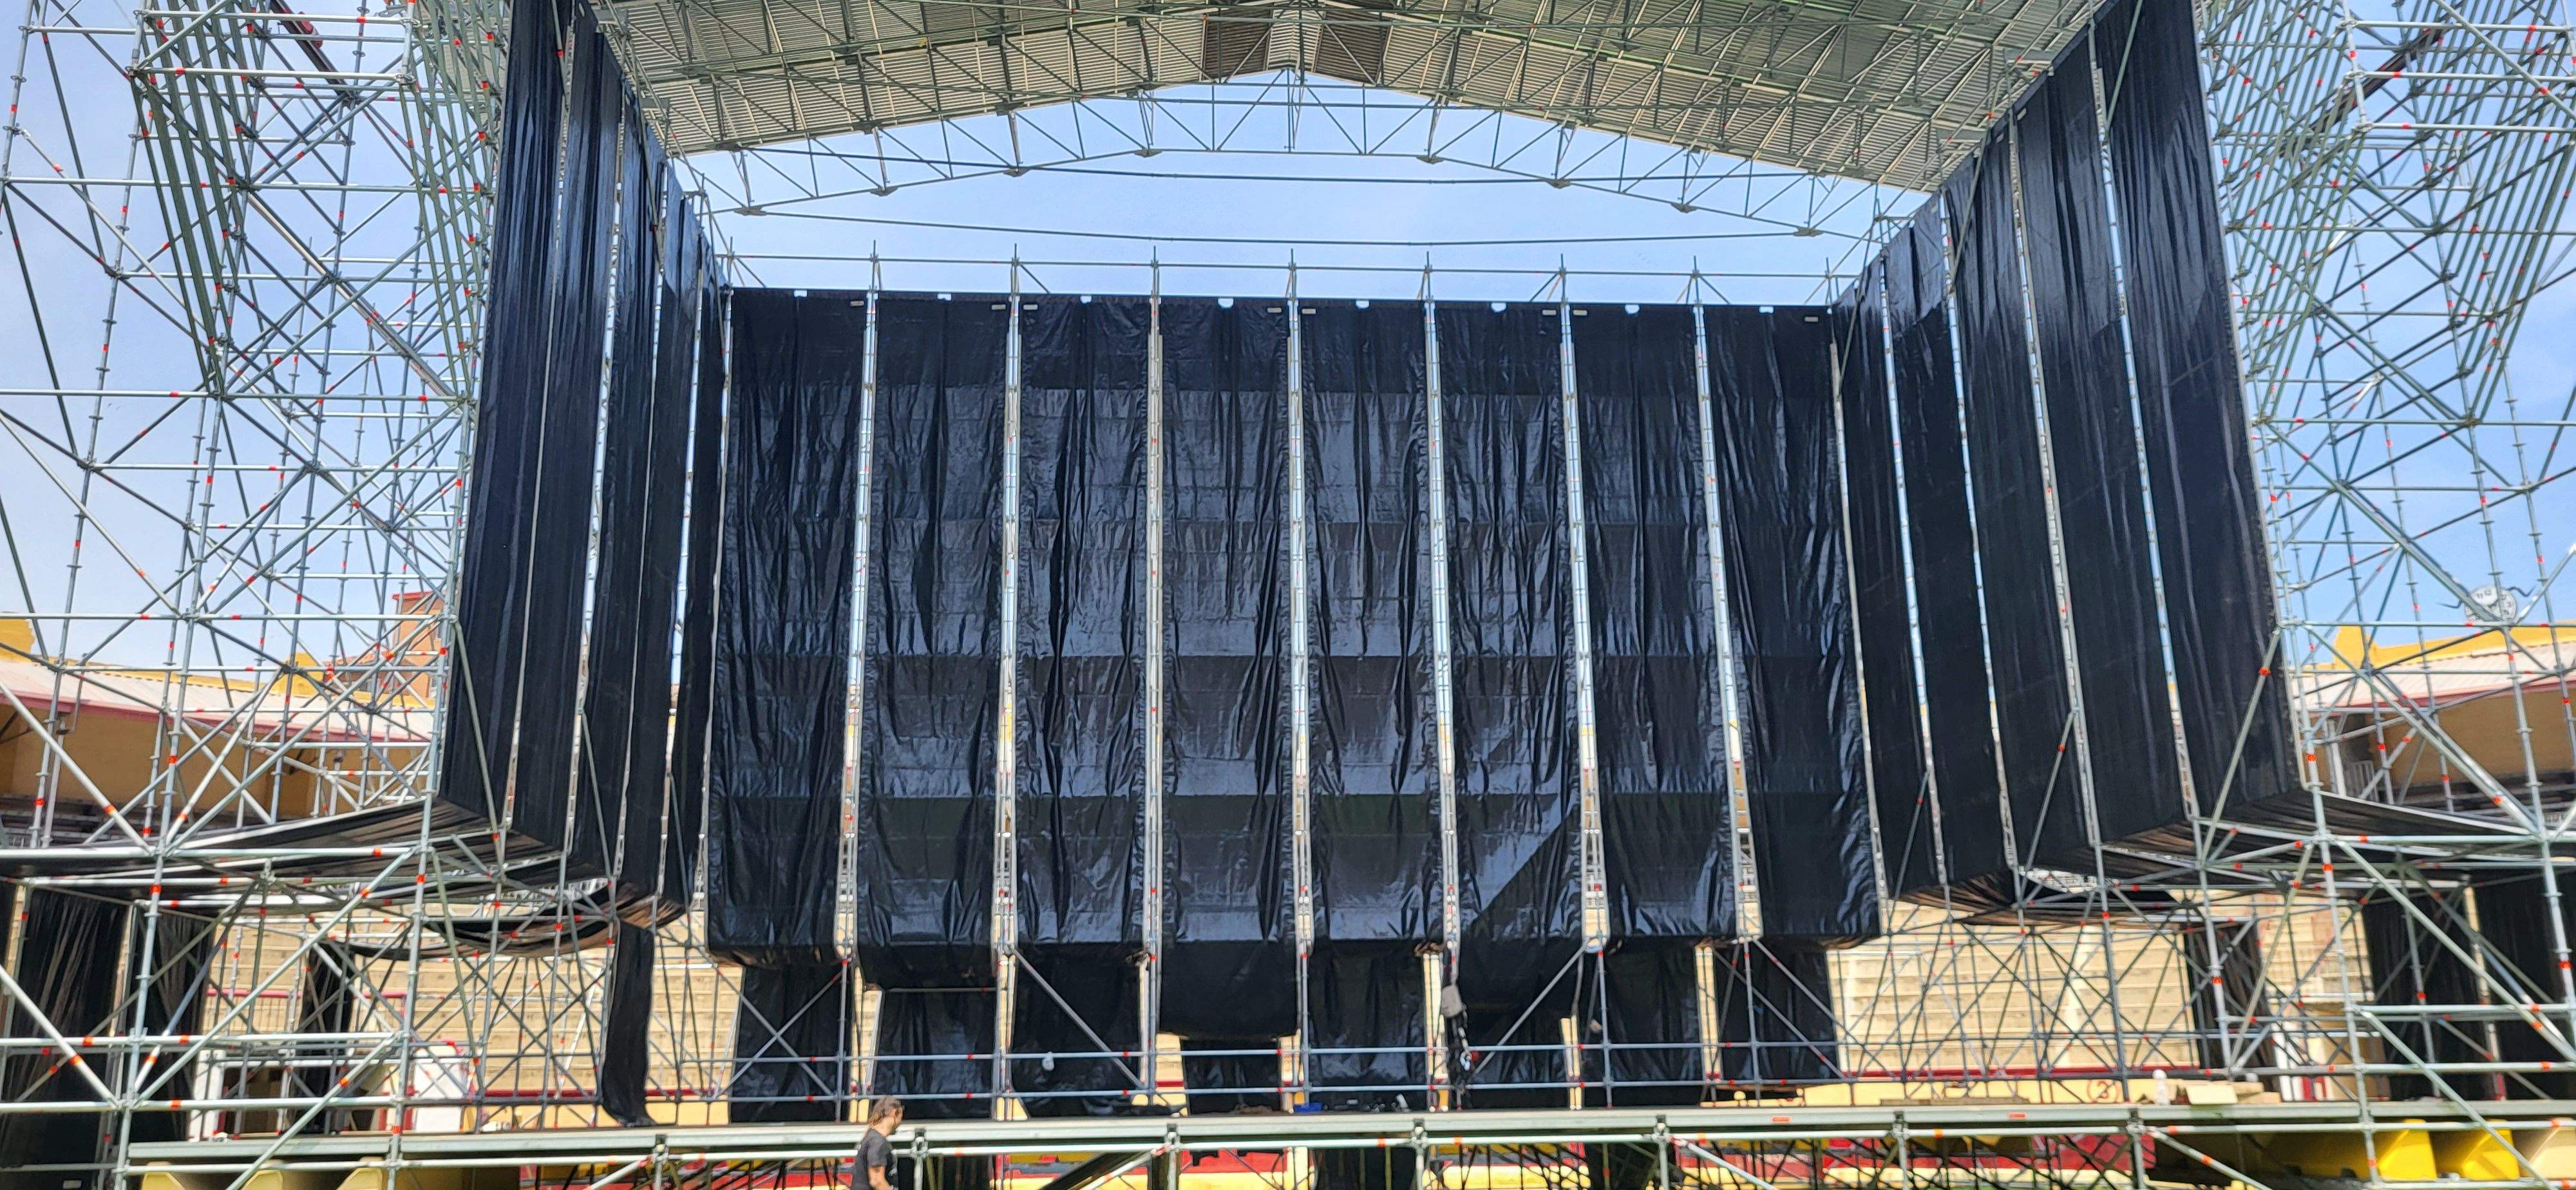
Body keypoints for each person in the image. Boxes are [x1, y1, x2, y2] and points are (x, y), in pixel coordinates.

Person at [855, 1097, 904, 1190]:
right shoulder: (878, 1142)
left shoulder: (870, 1136)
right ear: (893, 1113)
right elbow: (877, 1181)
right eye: (901, 1117)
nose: (900, 1123)